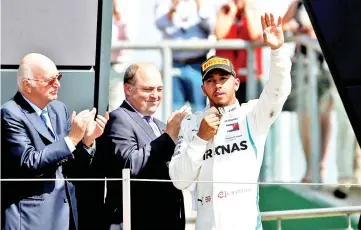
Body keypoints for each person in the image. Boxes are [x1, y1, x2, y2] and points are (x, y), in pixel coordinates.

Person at [169, 13, 291, 230]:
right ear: (203, 88)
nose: (217, 85)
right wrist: (200, 139)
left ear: (236, 83)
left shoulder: (251, 115)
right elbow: (180, 180)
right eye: (211, 81)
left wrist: (278, 51)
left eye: (223, 79)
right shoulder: (191, 124)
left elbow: (278, 91)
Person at [1, 53, 109, 230]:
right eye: (50, 80)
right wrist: (72, 139)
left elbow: (69, 166)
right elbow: (29, 163)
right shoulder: (10, 113)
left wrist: (87, 142)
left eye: (58, 77)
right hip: (31, 218)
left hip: (64, 215)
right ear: (27, 85)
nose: (57, 84)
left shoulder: (59, 109)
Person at [102, 62, 190, 230]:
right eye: (148, 89)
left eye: (159, 89)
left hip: (167, 219)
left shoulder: (161, 125)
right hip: (136, 220)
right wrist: (168, 137)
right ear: (128, 89)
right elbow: (129, 165)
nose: (155, 95)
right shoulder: (118, 119)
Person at [282, 0, 333, 183]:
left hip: (326, 65)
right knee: (304, 115)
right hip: (303, 63)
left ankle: (321, 167)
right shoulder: (299, 4)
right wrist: (296, 28)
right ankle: (311, 167)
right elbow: (281, 26)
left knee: (325, 115)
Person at [155, 0, 214, 112]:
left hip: (198, 64)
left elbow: (211, 26)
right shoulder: (165, 3)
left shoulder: (205, 3)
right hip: (174, 64)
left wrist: (199, 5)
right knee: (175, 111)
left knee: (199, 110)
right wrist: (172, 9)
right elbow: (160, 24)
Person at [214, 0, 263, 104]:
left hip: (250, 77)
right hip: (226, 79)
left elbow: (254, 34)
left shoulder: (254, 11)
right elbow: (219, 34)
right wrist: (231, 13)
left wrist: (248, 12)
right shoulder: (224, 11)